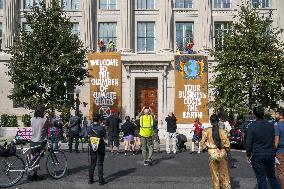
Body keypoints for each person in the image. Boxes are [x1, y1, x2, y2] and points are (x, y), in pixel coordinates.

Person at [246, 106, 280, 189]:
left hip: (258, 153)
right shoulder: (271, 125)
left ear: (254, 114)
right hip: (270, 153)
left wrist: (248, 154)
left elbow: (248, 142)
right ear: (263, 114)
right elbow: (274, 138)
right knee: (272, 177)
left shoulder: (251, 126)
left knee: (261, 178)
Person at [200, 114, 231, 189]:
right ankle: (226, 187)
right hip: (222, 152)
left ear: (210, 122)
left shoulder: (206, 131)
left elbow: (202, 143)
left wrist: (205, 147)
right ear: (218, 121)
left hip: (212, 153)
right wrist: (227, 151)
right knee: (224, 173)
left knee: (214, 174)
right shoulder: (223, 131)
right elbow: (227, 145)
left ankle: (216, 187)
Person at [29, 106, 50, 180]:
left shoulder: (32, 119)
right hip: (40, 141)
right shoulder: (44, 120)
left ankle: (31, 173)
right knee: (37, 159)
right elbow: (48, 129)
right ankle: (34, 175)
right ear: (42, 112)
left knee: (33, 158)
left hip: (32, 141)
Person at [88, 113, 106, 185]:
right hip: (100, 146)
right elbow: (104, 135)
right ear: (99, 120)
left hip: (92, 146)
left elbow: (86, 134)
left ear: (93, 119)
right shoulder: (101, 128)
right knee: (100, 163)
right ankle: (101, 181)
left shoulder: (90, 127)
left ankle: (90, 179)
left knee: (92, 163)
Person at [275, 108, 284, 188]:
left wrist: (272, 151)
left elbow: (276, 142)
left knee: (281, 173)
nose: (275, 115)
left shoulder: (278, 126)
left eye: (276, 114)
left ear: (280, 115)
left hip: (280, 152)